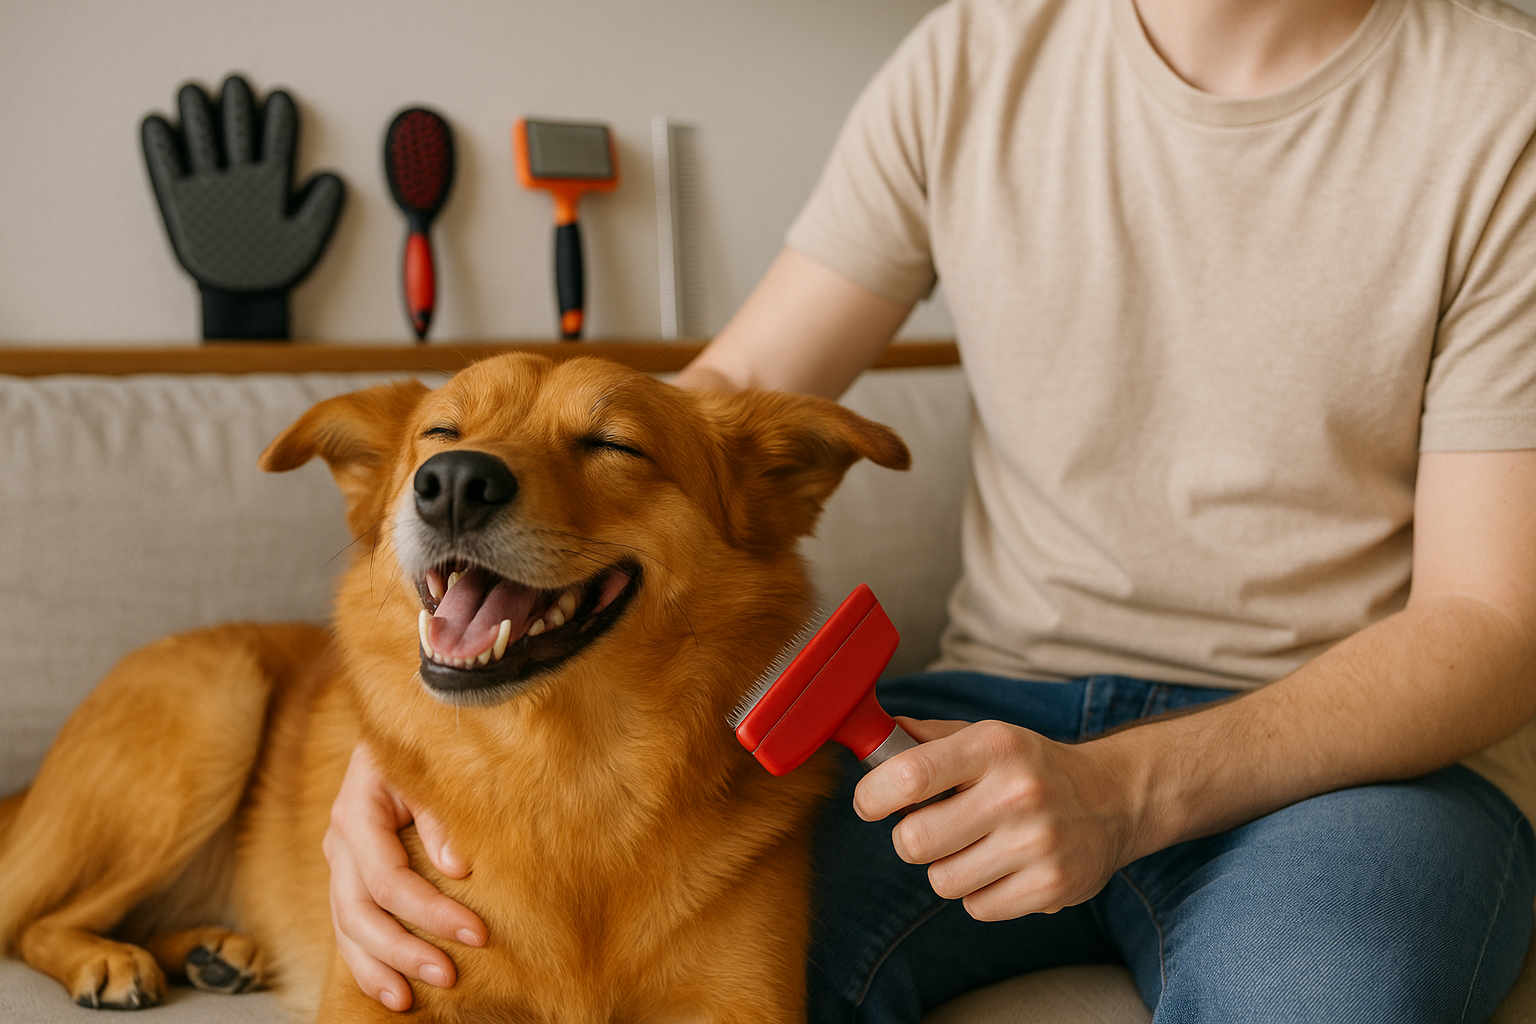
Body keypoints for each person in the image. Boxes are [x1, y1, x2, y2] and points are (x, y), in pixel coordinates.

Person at [322, 0, 1536, 1019]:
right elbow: (718, 412)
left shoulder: (1500, 104)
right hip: (982, 724)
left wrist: (1123, 790)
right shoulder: (974, 57)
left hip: (1351, 768)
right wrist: (419, 755)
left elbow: (1492, 622)